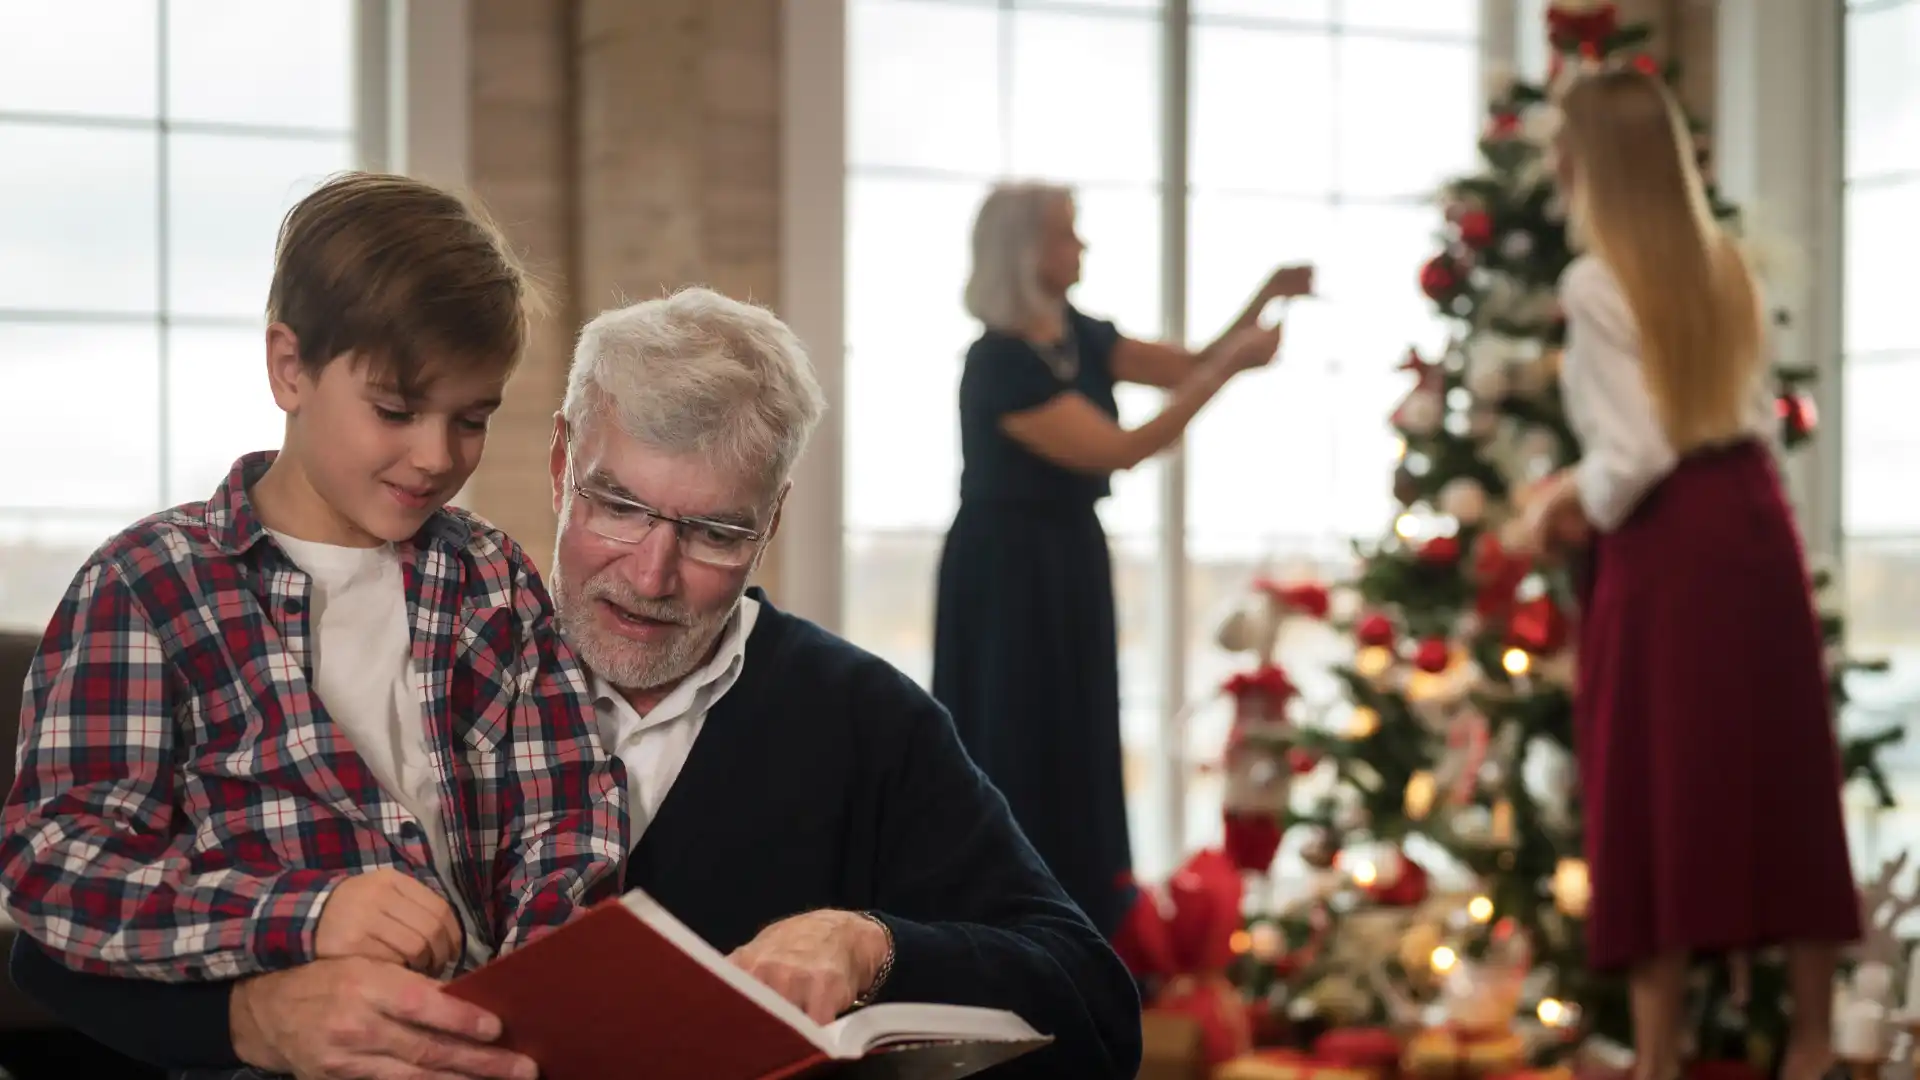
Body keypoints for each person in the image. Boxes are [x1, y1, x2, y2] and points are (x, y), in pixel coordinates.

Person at [12, 287, 1143, 1080]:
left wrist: (868, 941)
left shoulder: (861, 718)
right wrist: (252, 1018)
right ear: (559, 463)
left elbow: (1094, 1008)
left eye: (712, 532)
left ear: (775, 522)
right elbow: (53, 953)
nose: (651, 575)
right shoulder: (439, 643)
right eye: (617, 508)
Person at [0, 171, 627, 997]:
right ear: (290, 368)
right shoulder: (149, 588)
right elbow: (59, 862)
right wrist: (308, 913)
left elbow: (564, 822)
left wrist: (540, 985)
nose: (438, 456)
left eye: (472, 418)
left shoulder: (493, 582)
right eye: (397, 411)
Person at [1516, 70, 1858, 1080]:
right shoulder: (1726, 263)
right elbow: (1732, 421)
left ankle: (1660, 1057)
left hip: (1667, 553)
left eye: (1561, 149)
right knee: (1783, 775)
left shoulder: (1594, 281)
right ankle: (1809, 1042)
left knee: (1649, 783)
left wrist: (1551, 502)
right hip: (1753, 525)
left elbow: (1635, 457)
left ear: (1593, 165)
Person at [931, 180, 1312, 936]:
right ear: (1026, 252)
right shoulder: (999, 363)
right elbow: (1124, 447)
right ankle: (1012, 923)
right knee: (1015, 735)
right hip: (1008, 574)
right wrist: (1231, 368)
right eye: (1068, 234)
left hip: (1068, 560)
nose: (1083, 248)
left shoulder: (1078, 335)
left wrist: (1263, 298)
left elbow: (1189, 363)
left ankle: (1084, 921)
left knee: (1077, 736)